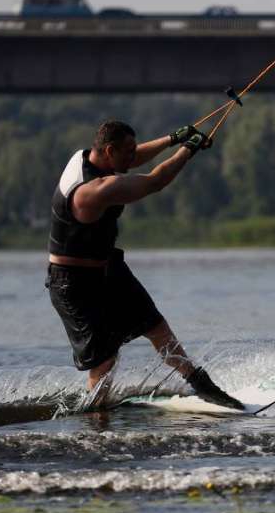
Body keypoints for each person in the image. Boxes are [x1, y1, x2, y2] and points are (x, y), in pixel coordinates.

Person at [45, 119, 242, 410]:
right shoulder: (94, 190)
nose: (132, 156)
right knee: (104, 360)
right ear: (109, 151)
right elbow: (154, 182)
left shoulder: (86, 157)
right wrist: (188, 149)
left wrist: (173, 138)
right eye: (127, 152)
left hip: (107, 268)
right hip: (73, 284)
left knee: (156, 326)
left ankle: (202, 385)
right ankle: (94, 416)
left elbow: (132, 159)